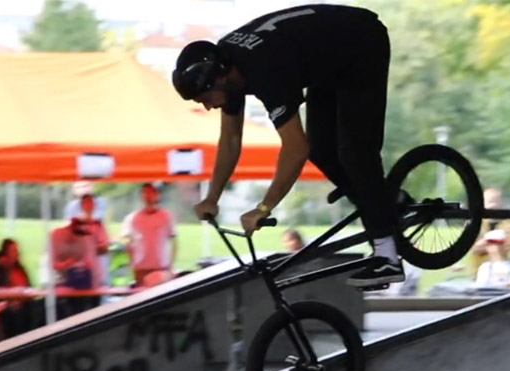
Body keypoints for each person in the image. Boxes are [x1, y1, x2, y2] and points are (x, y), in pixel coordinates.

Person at [172, 4, 403, 288]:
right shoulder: (227, 68)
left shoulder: (264, 71)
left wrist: (264, 207)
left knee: (355, 154)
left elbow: (295, 149)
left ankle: (387, 256)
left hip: (361, 43)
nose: (208, 107)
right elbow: (230, 139)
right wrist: (212, 197)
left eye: (206, 99)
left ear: (221, 78)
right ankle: (387, 201)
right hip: (326, 59)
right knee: (322, 150)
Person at [120, 183, 177, 286]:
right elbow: (128, 242)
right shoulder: (132, 218)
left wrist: (171, 265)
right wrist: (131, 262)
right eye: (146, 192)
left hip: (161, 267)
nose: (149, 195)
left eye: (152, 192)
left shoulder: (166, 216)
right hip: (141, 268)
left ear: (158, 195)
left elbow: (174, 241)